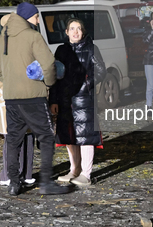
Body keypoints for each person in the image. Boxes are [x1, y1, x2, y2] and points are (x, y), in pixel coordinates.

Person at [0, 2, 69, 196]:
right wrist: (49, 84)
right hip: (33, 96)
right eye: (36, 16)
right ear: (28, 17)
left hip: (11, 98)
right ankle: (45, 182)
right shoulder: (33, 36)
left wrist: (10, 83)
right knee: (46, 137)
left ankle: (14, 183)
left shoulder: (3, 39)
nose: (37, 20)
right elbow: (49, 64)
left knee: (13, 140)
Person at [49, 19, 106, 187]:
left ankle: (86, 174)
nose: (76, 32)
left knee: (86, 136)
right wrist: (53, 100)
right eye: (72, 29)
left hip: (84, 100)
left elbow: (101, 71)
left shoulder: (91, 49)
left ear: (83, 32)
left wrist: (86, 85)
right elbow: (55, 76)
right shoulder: (61, 50)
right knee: (69, 136)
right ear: (66, 32)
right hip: (65, 100)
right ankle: (74, 169)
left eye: (79, 29)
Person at [0, 13, 35, 188]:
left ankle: (27, 173)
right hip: (9, 100)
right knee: (13, 137)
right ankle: (8, 174)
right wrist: (4, 94)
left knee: (29, 135)